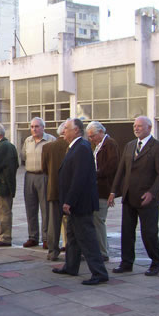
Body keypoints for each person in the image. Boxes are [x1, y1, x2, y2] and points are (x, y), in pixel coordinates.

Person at [108, 116, 159, 276]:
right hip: (129, 197)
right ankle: (126, 262)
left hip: (147, 199)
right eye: (134, 126)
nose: (136, 128)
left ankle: (156, 262)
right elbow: (121, 170)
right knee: (127, 232)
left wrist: (152, 192)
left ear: (149, 128)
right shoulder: (129, 146)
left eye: (140, 126)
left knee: (149, 233)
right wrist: (113, 191)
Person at [53, 118, 109, 285]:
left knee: (87, 238)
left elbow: (79, 178)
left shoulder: (82, 148)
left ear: (76, 130)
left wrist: (69, 201)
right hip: (75, 203)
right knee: (72, 237)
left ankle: (99, 273)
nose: (63, 131)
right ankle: (71, 266)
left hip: (80, 203)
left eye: (67, 128)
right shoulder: (75, 147)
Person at [86, 121, 120, 262]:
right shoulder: (98, 145)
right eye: (89, 136)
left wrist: (96, 173)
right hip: (97, 187)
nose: (91, 139)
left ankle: (102, 251)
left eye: (93, 136)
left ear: (101, 132)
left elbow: (112, 165)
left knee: (98, 219)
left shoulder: (110, 144)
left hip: (103, 187)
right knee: (96, 219)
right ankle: (100, 248)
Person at [21, 117, 56, 248]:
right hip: (29, 175)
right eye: (32, 127)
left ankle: (46, 238)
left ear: (43, 127)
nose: (34, 129)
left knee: (45, 208)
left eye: (36, 126)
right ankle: (33, 237)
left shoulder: (51, 140)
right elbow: (23, 156)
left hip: (44, 176)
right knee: (30, 208)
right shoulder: (28, 141)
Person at [41, 121, 69, 261]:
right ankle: (72, 250)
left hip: (54, 189)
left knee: (53, 223)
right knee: (71, 223)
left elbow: (44, 169)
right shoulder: (74, 146)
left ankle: (52, 251)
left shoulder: (48, 147)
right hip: (70, 190)